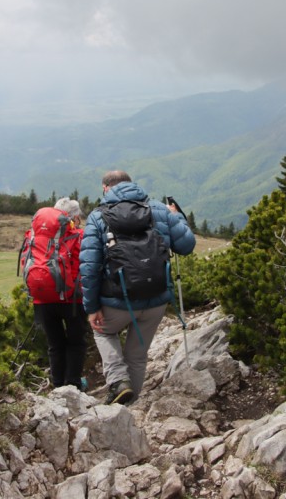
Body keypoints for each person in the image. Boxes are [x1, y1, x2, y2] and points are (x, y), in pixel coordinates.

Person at [80, 170, 196, 405]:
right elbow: (187, 245)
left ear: (106, 188)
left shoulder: (97, 217)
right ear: (131, 185)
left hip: (116, 301)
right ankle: (128, 409)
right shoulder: (159, 210)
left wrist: (92, 307)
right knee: (137, 356)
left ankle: (118, 381)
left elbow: (89, 268)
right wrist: (178, 217)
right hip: (156, 299)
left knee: (103, 331)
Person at [24, 198, 88, 390]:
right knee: (76, 343)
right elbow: (84, 266)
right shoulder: (79, 236)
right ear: (75, 218)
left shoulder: (33, 236)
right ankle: (73, 385)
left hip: (42, 298)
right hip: (72, 299)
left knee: (55, 344)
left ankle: (58, 386)